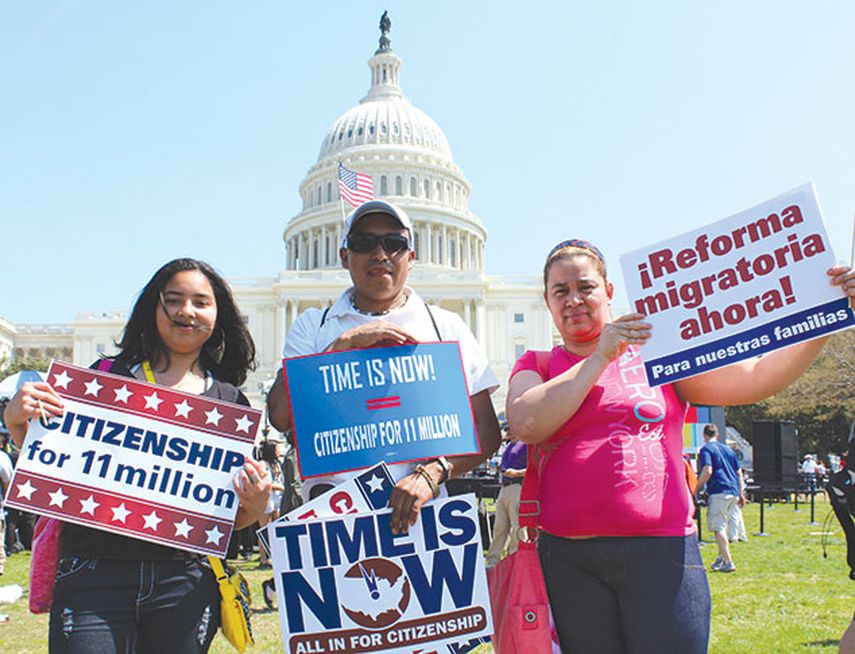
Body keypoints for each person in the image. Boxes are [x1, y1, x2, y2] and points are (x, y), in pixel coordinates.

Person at [506, 238, 855, 654]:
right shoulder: (538, 364)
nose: (574, 300)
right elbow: (527, 422)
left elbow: (755, 377)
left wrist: (828, 317)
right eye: (560, 291)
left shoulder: (657, 353)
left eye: (585, 287)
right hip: (570, 560)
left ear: (609, 292)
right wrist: (599, 356)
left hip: (662, 553)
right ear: (547, 301)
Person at [3, 258, 271, 654]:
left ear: (218, 315)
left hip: (183, 581)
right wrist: (17, 425)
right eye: (174, 300)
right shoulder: (105, 379)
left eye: (201, 302)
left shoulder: (229, 403)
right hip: (95, 571)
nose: (187, 312)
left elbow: (228, 519)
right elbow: (58, 468)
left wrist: (257, 502)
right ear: (154, 307)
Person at [266, 200, 501, 534]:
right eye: (364, 244)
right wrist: (341, 348)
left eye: (394, 244)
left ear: (411, 256)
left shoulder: (445, 327)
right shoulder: (313, 327)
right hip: (334, 522)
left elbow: (486, 431)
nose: (380, 254)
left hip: (423, 519)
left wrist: (431, 473)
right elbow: (280, 415)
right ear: (345, 256)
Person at [696, 424, 743, 572]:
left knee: (718, 527)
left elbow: (707, 470)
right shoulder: (728, 449)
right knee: (724, 524)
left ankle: (728, 562)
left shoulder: (706, 449)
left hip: (719, 491)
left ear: (704, 435)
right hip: (733, 491)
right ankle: (720, 559)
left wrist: (697, 488)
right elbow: (739, 473)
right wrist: (741, 493)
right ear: (718, 435)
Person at [484, 427, 527, 568]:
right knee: (499, 527)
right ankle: (492, 562)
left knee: (517, 526)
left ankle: (516, 560)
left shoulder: (526, 444)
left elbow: (534, 468)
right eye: (507, 429)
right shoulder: (509, 446)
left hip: (517, 487)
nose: (508, 432)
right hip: (504, 487)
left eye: (510, 429)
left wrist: (516, 473)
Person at [256, 439, 285, 568]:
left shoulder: (276, 464)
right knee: (264, 529)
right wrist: (279, 487)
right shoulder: (263, 464)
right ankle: (263, 559)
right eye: (277, 449)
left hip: (278, 499)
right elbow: (263, 483)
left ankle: (277, 557)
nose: (279, 451)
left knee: (276, 528)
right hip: (266, 499)